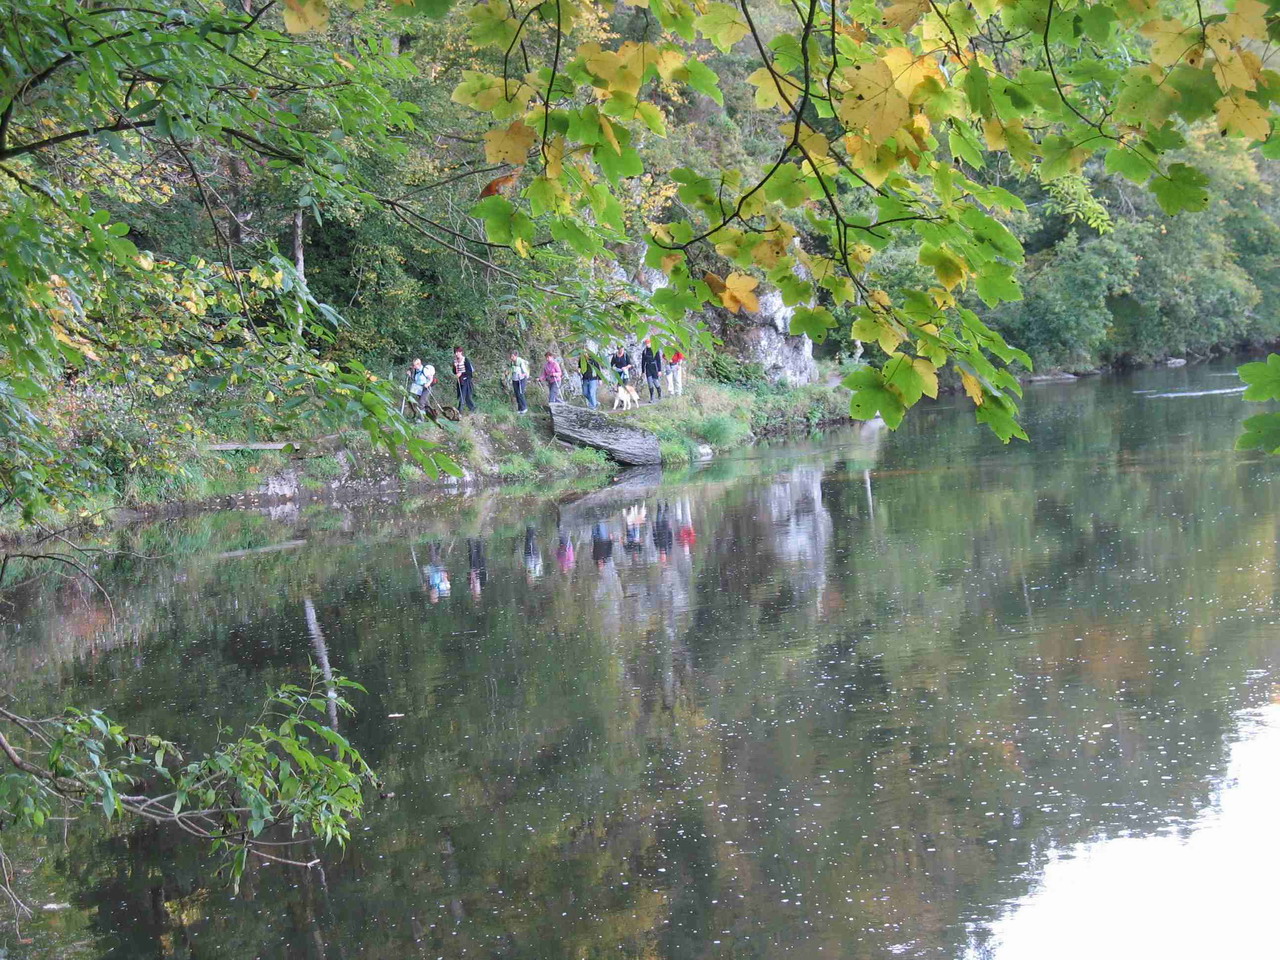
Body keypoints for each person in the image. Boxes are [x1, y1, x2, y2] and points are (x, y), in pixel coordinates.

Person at [453, 346, 475, 412]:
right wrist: (455, 366)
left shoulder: (465, 360)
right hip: (460, 381)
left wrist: (461, 374)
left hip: (466, 381)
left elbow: (470, 372)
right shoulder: (455, 361)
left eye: (458, 352)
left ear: (461, 352)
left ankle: (459, 411)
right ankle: (473, 408)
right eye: (455, 352)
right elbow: (454, 372)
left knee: (462, 396)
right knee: (466, 397)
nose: (456, 354)